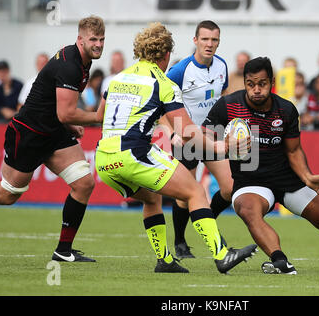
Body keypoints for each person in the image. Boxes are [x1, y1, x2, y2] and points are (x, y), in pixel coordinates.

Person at [95, 22, 257, 274]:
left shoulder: (118, 78)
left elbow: (99, 116)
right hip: (134, 154)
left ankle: (165, 260)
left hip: (104, 159)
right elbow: (187, 131)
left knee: (152, 198)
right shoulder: (164, 83)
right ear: (168, 54)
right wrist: (222, 145)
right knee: (194, 192)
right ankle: (222, 254)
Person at [203, 56, 319, 274]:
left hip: (285, 178)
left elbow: (293, 150)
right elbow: (203, 135)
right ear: (245, 82)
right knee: (249, 211)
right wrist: (222, 144)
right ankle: (280, 261)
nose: (256, 89)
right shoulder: (228, 105)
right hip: (249, 180)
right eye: (251, 84)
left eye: (262, 84)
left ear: (272, 82)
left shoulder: (286, 110)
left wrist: (307, 177)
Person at [0, 15, 107, 262]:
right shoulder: (70, 64)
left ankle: (63, 250)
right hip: (29, 134)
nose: (98, 44)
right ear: (80, 39)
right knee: (6, 196)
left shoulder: (82, 60)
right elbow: (65, 111)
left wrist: (71, 123)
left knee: (84, 183)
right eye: (93, 39)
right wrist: (96, 116)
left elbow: (62, 111)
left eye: (101, 39)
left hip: (53, 132)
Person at [162, 20, 233, 259]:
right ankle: (180, 241)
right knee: (186, 193)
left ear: (219, 42)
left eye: (214, 40)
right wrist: (172, 133)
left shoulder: (222, 66)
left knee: (230, 188)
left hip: (212, 133)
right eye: (205, 39)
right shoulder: (179, 71)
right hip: (185, 135)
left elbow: (221, 100)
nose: (209, 44)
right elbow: (161, 107)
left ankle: (204, 220)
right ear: (195, 41)